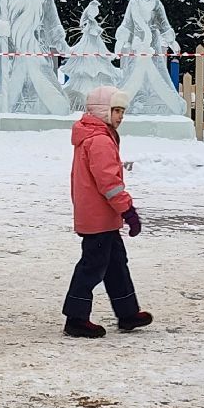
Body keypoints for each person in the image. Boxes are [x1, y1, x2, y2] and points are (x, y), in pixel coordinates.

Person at [62, 85, 153, 338]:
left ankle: (127, 312)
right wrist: (128, 210)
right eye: (116, 111)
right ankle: (76, 318)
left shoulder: (96, 135)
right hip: (98, 217)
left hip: (102, 216)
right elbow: (109, 183)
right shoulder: (100, 140)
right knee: (92, 267)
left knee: (116, 265)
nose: (120, 117)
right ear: (103, 111)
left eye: (122, 111)